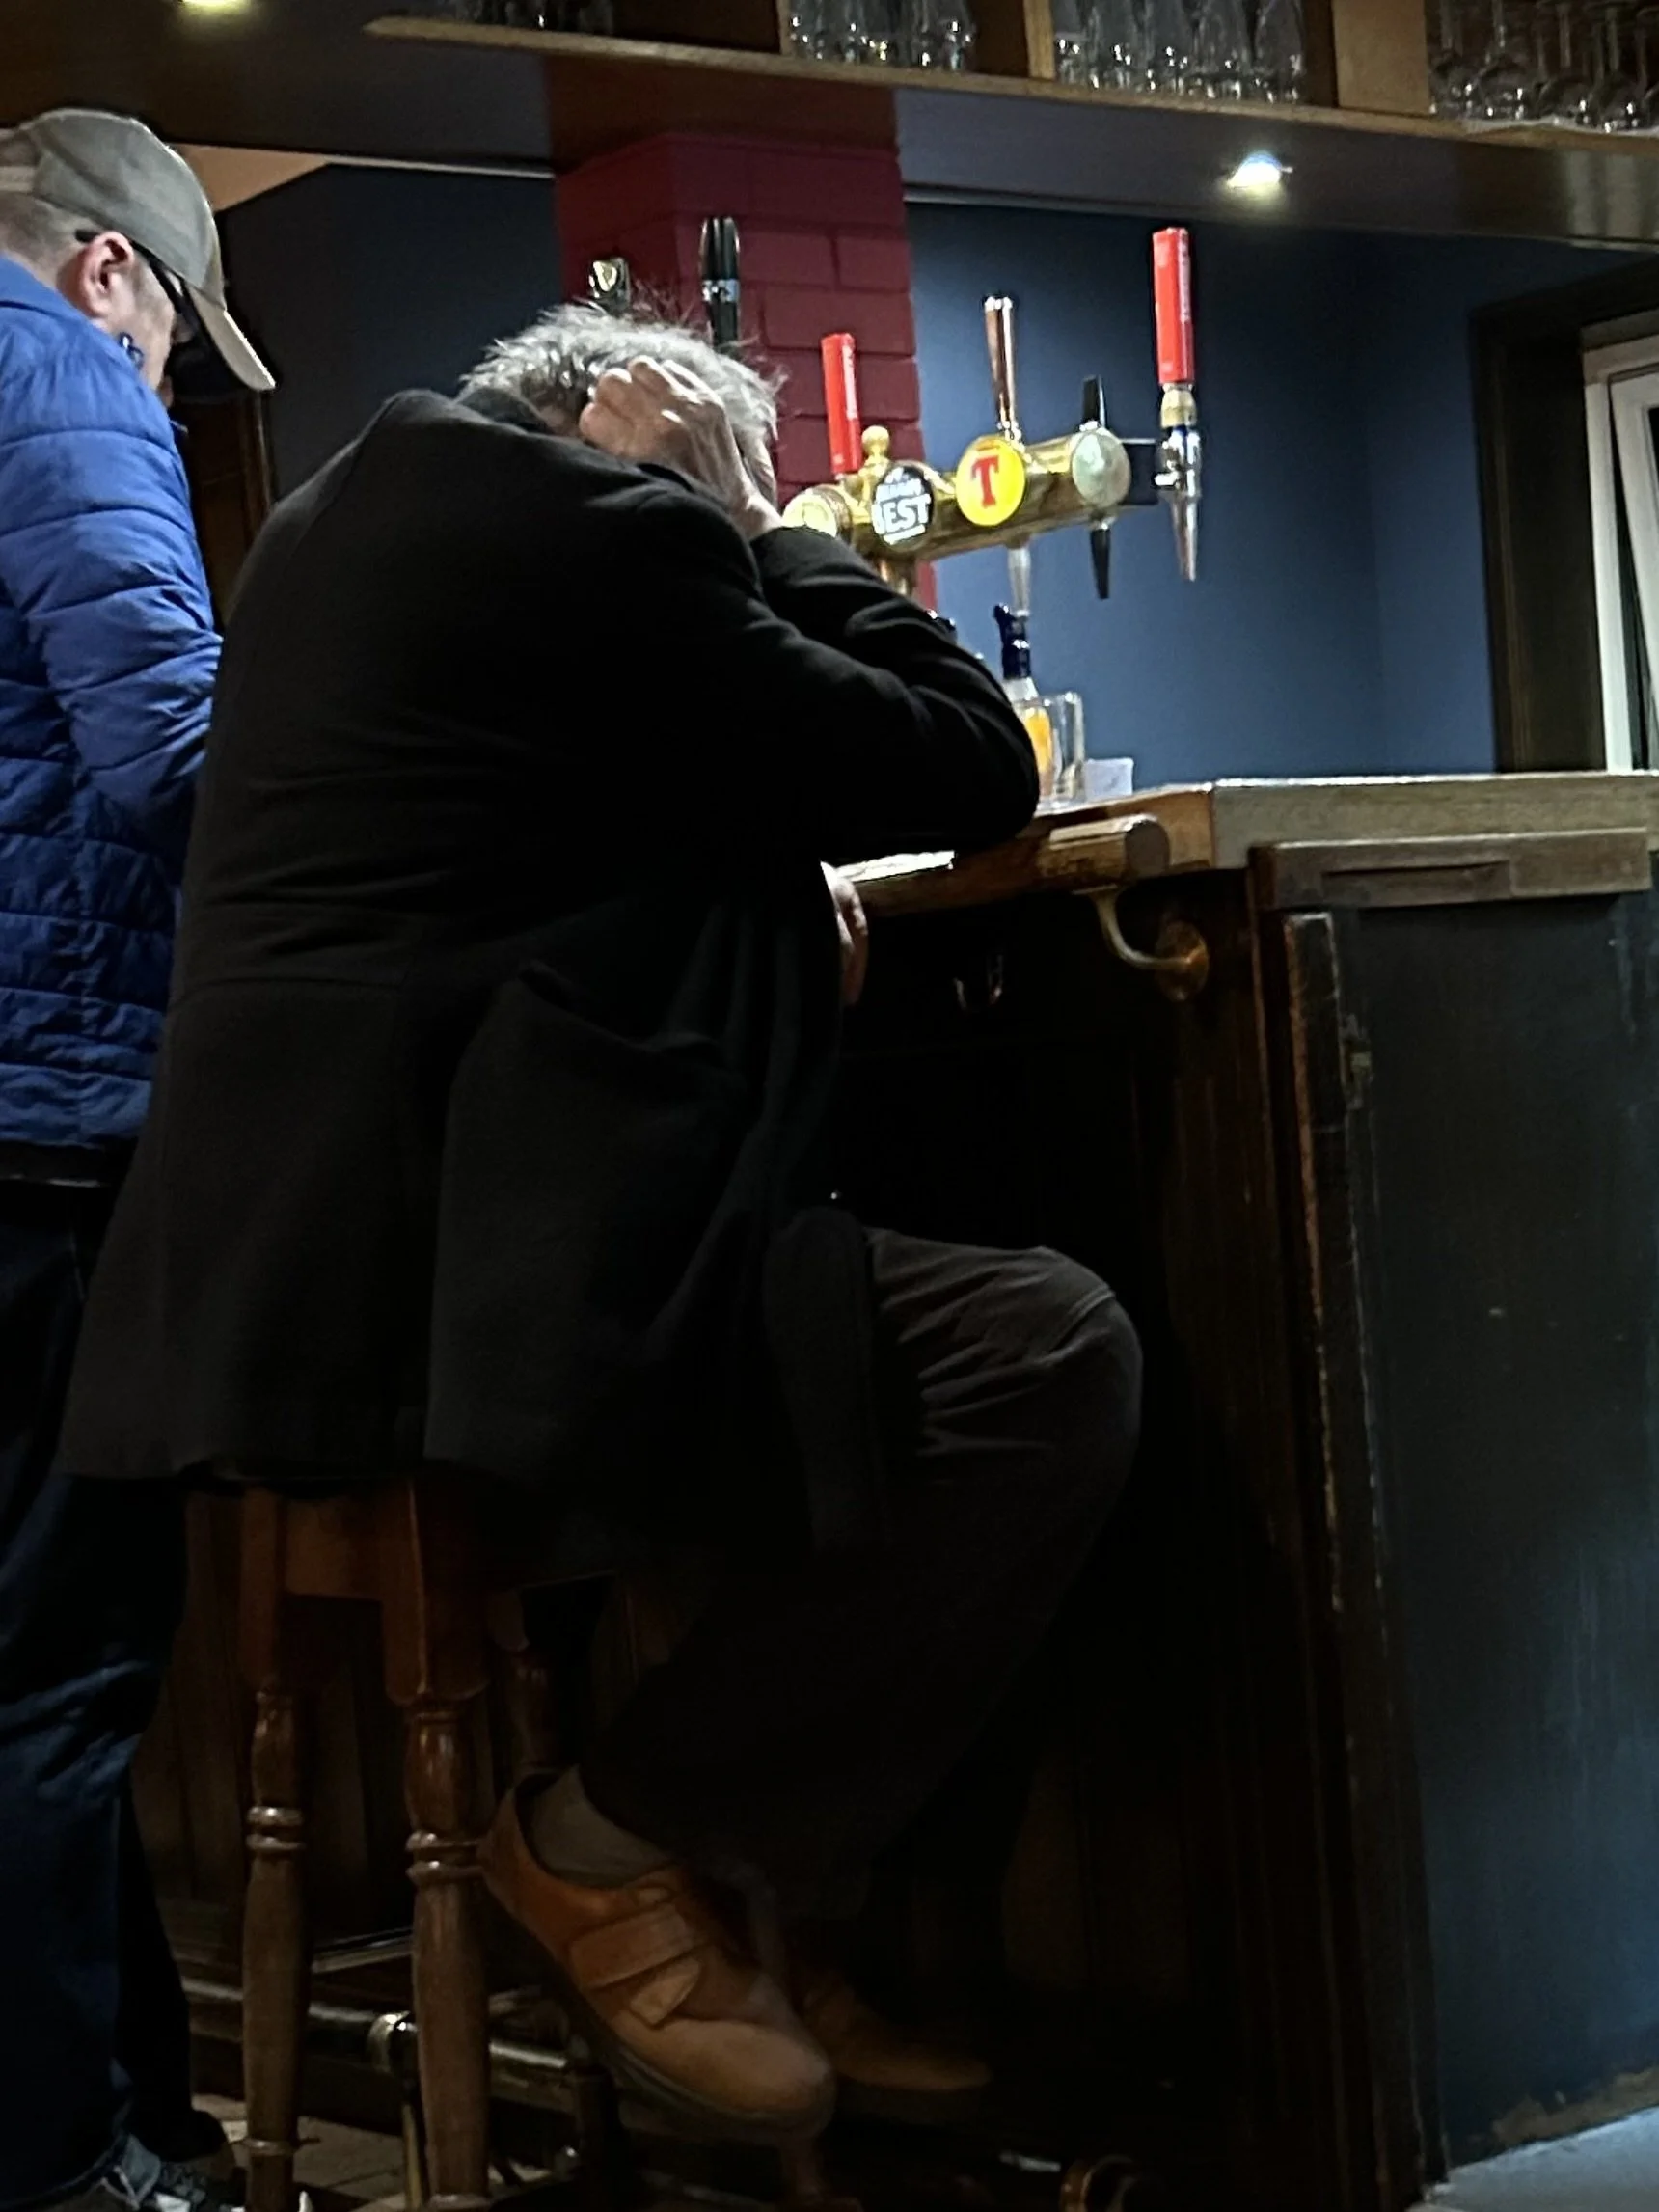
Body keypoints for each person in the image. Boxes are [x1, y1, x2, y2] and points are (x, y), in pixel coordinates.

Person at [58, 307, 1141, 2143]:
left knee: (844, 1355)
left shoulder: (344, 519)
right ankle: (612, 1839)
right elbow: (971, 761)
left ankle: (746, 1896)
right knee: (1039, 1354)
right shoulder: (592, 527)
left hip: (293, 1289)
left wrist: (768, 892)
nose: (733, 517)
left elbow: (554, 832)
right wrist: (776, 532)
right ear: (623, 425)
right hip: (459, 1299)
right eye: (722, 472)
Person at [0, 108, 273, 2212]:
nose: (168, 381)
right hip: (38, 1125)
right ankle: (66, 2161)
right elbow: (184, 751)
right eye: (183, 336)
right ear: (115, 271)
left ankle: (142, 2114)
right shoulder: (60, 373)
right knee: (56, 1668)